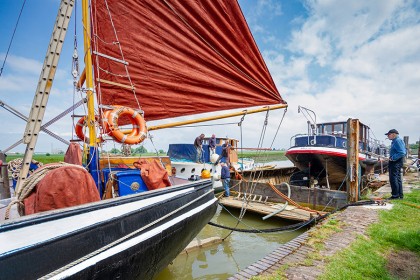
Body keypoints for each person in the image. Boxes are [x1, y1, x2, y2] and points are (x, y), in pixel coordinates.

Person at [385, 129, 406, 199]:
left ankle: (395, 195)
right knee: (397, 178)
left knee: (393, 178)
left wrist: (393, 158)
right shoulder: (395, 141)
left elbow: (402, 152)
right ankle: (399, 195)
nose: (388, 136)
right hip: (396, 161)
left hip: (395, 162)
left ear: (394, 134)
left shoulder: (397, 141)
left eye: (389, 135)